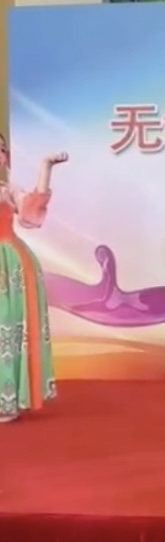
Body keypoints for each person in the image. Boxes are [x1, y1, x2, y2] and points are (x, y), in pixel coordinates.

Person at [0, 132, 68, 423]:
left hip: (9, 265)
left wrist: (45, 167)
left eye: (1, 149)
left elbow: (32, 211)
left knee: (7, 330)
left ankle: (6, 400)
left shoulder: (7, 191)